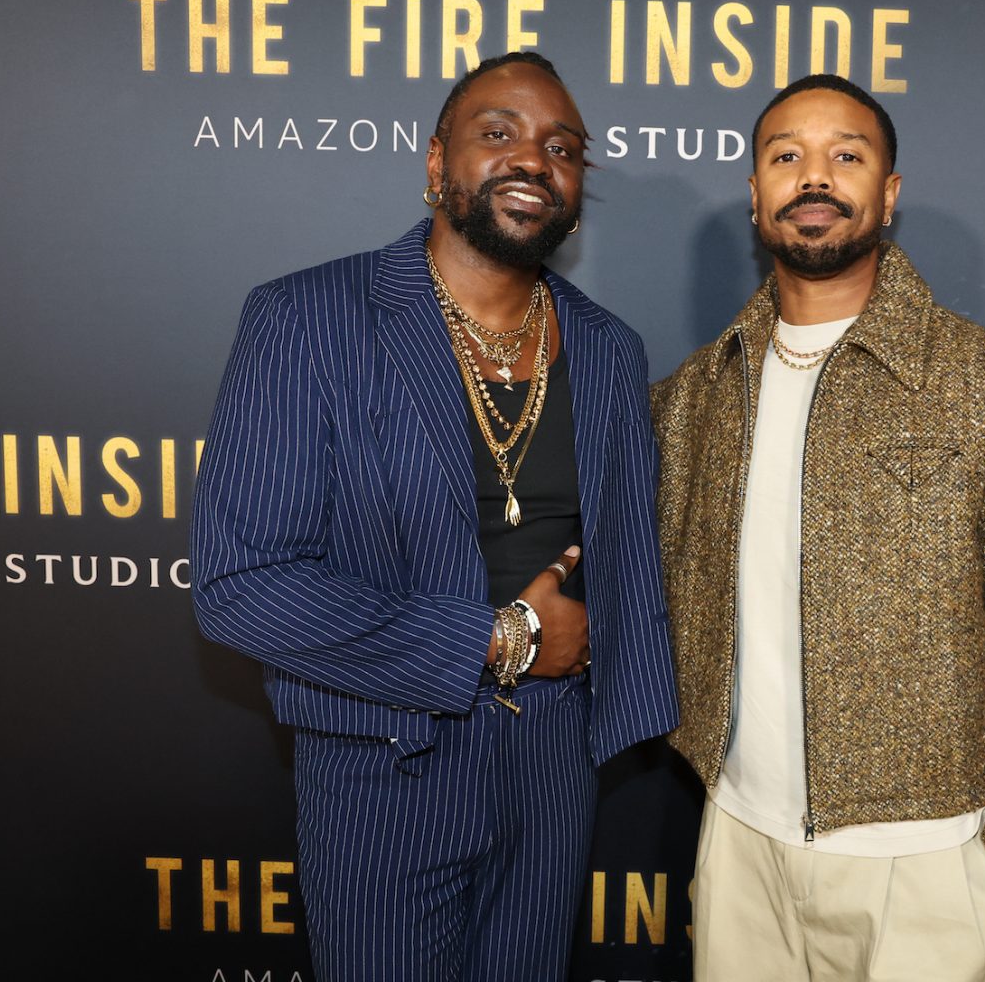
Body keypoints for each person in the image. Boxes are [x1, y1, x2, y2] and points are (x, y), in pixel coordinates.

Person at [191, 52, 677, 982]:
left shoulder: (611, 350)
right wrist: (498, 640)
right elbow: (240, 587)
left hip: (550, 766)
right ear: (434, 164)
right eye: (499, 134)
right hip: (385, 765)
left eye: (562, 148)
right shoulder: (308, 318)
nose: (534, 160)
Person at [652, 74, 985, 981]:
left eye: (847, 155)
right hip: (742, 848)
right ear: (756, 196)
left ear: (890, 193)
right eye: (786, 157)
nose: (814, 177)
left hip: (935, 873)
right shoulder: (700, 395)